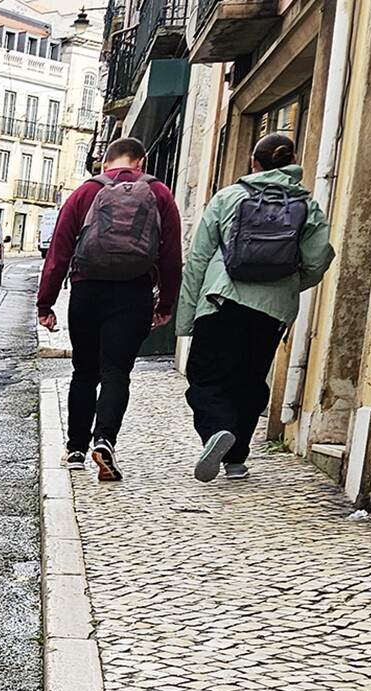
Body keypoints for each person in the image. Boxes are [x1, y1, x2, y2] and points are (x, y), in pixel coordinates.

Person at [178, 132, 337, 481]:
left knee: (205, 377)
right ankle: (236, 459)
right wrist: (285, 287)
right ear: (293, 160)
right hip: (271, 311)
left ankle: (217, 430)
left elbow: (199, 259)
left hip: (221, 301)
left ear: (254, 162)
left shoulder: (228, 198)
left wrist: (186, 319)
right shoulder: (307, 206)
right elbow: (318, 261)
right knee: (250, 380)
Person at [36, 137, 184, 483]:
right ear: (141, 162)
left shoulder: (85, 192)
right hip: (134, 292)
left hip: (88, 290)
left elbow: (58, 251)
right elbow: (171, 257)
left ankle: (75, 449)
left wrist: (46, 303)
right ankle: (105, 440)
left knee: (84, 372)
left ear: (105, 164)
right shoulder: (160, 194)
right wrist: (165, 304)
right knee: (116, 371)